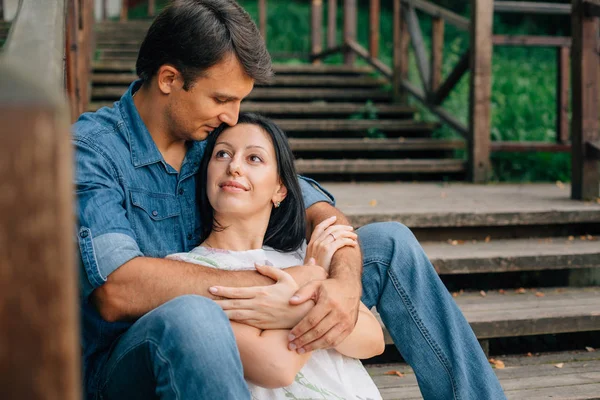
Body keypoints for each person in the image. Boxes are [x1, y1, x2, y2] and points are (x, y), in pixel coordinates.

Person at [73, 0, 506, 399]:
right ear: (169, 79)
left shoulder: (211, 138)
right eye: (222, 99)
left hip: (245, 332)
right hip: (131, 362)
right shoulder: (93, 150)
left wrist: (341, 282)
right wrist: (295, 282)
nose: (232, 117)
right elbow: (117, 290)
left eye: (240, 102)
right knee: (194, 319)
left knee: (387, 243)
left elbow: (315, 205)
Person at [167, 112, 384, 399]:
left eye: (253, 158)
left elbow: (373, 339)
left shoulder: (299, 254)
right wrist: (313, 280)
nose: (234, 167)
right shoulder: (188, 271)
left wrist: (293, 306)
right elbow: (275, 366)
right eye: (222, 154)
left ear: (279, 189)